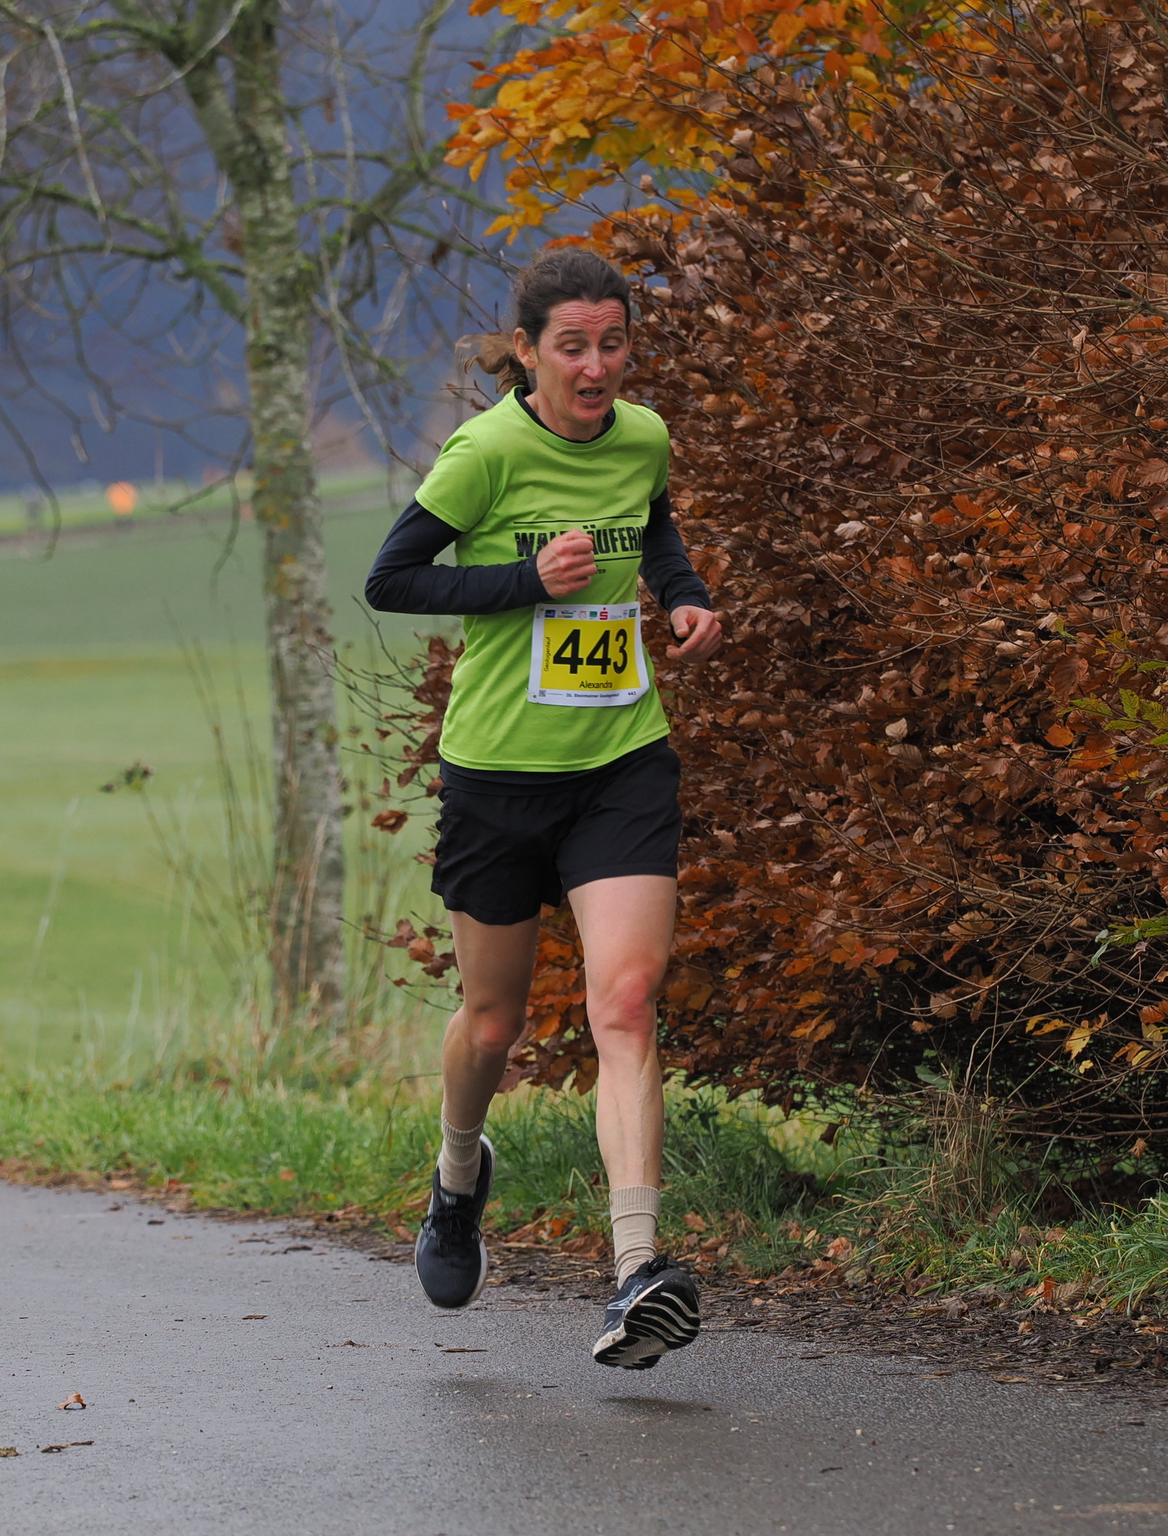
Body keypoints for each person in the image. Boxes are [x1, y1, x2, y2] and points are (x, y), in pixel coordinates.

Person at [363, 249, 723, 1369]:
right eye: (572, 346)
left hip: (620, 760)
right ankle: (456, 1177)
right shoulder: (485, 453)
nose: (596, 367)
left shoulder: (643, 436)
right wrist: (526, 581)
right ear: (526, 351)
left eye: (613, 344)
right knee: (491, 1022)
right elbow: (391, 579)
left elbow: (652, 526)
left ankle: (636, 1271)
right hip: (498, 775)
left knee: (627, 1000)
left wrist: (682, 595)